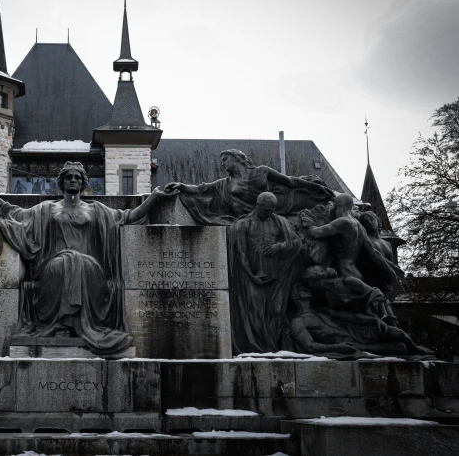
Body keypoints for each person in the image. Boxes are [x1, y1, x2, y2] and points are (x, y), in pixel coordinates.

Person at [0, 161, 174, 356]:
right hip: (53, 266)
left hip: (90, 268)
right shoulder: (46, 209)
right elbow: (15, 215)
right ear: (62, 182)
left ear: (83, 183)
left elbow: (128, 217)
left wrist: (153, 198)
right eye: (69, 177)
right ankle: (60, 324)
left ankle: (67, 324)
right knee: (66, 262)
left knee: (77, 261)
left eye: (77, 177)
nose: (73, 180)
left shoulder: (96, 210)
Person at [165, 149, 334, 225]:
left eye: (225, 159)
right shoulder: (226, 183)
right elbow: (202, 188)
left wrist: (314, 187)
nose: (222, 164)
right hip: (254, 216)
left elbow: (290, 182)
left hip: (282, 203)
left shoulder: (262, 171)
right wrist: (181, 185)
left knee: (315, 206)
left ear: (237, 158)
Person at [228, 192, 302, 353]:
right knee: (255, 314)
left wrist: (280, 247)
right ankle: (257, 349)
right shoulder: (243, 225)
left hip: (276, 277)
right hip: (252, 277)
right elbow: (241, 254)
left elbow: (296, 242)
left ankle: (274, 347)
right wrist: (251, 275)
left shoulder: (279, 222)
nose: (269, 213)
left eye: (272, 210)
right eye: (267, 210)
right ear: (258, 205)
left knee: (276, 312)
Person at [289, 284, 432, 358]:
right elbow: (309, 346)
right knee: (398, 349)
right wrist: (337, 347)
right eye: (300, 289)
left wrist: (374, 320)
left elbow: (351, 317)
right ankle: (411, 352)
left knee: (399, 333)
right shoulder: (298, 321)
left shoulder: (321, 311)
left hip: (356, 332)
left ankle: (415, 349)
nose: (305, 289)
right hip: (349, 343)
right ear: (296, 297)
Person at [301, 194, 397, 290]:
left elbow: (315, 233)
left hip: (343, 275)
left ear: (338, 205)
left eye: (335, 205)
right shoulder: (361, 227)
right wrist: (392, 272)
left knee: (308, 279)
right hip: (357, 276)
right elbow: (375, 254)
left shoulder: (342, 222)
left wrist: (307, 221)